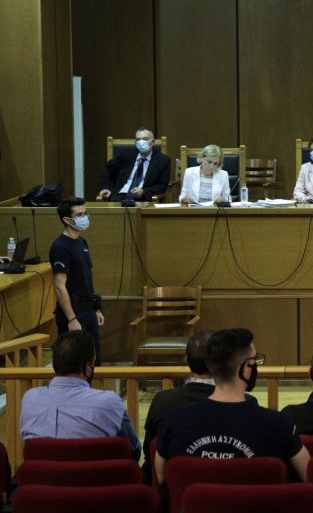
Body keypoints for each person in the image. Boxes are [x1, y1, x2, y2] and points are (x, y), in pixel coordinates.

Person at [155, 328, 310, 483]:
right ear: (245, 369)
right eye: (254, 361)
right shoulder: (279, 424)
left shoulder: (175, 419)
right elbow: (309, 478)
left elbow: (161, 481)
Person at [21, 331, 141, 460]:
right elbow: (133, 450)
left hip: (43, 473)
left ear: (54, 364)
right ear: (88, 367)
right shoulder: (110, 402)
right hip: (95, 473)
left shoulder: (30, 399)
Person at [141, 330, 220, 484]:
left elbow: (149, 451)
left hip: (175, 489)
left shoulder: (163, 401)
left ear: (186, 360)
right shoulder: (245, 402)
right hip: (226, 489)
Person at [50, 198, 104, 362]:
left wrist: (95, 309)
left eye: (85, 213)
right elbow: (59, 287)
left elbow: (85, 278)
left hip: (88, 311)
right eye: (79, 215)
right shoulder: (60, 247)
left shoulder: (82, 242)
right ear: (67, 220)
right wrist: (72, 319)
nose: (84, 217)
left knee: (94, 361)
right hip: (73, 313)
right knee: (74, 363)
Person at [97, 127, 171, 202]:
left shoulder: (162, 161)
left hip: (143, 199)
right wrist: (105, 187)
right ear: (135, 142)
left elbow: (162, 186)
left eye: (145, 139)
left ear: (153, 142)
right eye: (138, 139)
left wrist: (144, 191)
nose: (141, 142)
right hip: (119, 197)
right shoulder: (126, 155)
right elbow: (108, 170)